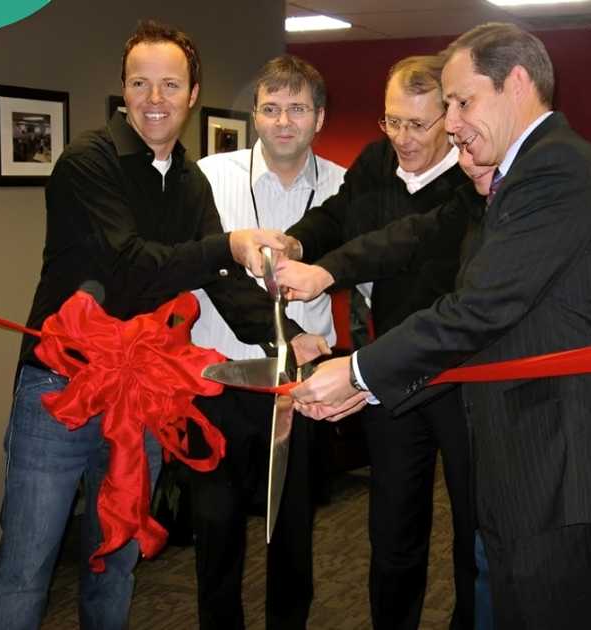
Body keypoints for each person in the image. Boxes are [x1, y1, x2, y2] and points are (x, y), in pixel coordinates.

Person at [288, 23, 591, 629]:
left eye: (460, 102)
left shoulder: (556, 170)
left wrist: (356, 372)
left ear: (515, 83)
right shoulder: (513, 177)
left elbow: (478, 308)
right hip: (525, 457)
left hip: (560, 462)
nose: (450, 122)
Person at [0, 20, 323, 630]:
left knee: (115, 560)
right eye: (141, 83)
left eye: (170, 84)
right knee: (25, 568)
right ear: (123, 90)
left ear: (193, 94)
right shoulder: (87, 162)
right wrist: (229, 243)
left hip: (140, 392)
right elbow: (130, 267)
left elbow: (219, 279)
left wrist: (286, 339)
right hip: (60, 388)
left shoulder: (188, 181)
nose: (155, 98)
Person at [278, 55, 478, 630]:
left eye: (418, 125)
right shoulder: (376, 161)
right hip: (387, 372)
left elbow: (404, 243)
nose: (403, 139)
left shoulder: (475, 176)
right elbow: (339, 216)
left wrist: (327, 271)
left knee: (476, 526)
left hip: (461, 377)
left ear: (450, 116)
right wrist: (295, 245)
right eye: (392, 122)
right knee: (393, 528)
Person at [185, 54, 345, 630]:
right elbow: (205, 270)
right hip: (220, 382)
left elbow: (369, 278)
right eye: (271, 108)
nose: (283, 121)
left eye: (297, 109)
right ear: (254, 114)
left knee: (293, 530)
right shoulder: (210, 176)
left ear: (319, 117)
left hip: (300, 389)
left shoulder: (342, 188)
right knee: (216, 529)